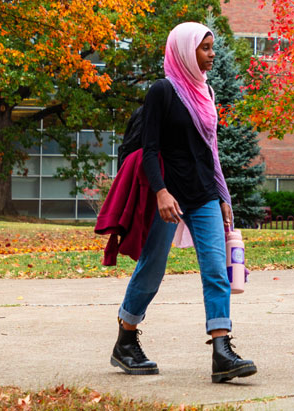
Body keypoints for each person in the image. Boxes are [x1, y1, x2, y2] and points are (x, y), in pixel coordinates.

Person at [110, 22, 257, 383]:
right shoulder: (162, 91)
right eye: (205, 48)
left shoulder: (204, 91)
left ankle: (222, 351)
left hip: (203, 193)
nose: (211, 55)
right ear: (184, 51)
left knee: (215, 270)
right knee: (153, 267)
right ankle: (126, 339)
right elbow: (149, 149)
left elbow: (212, 151)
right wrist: (160, 191)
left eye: (212, 48)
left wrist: (223, 196)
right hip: (169, 195)